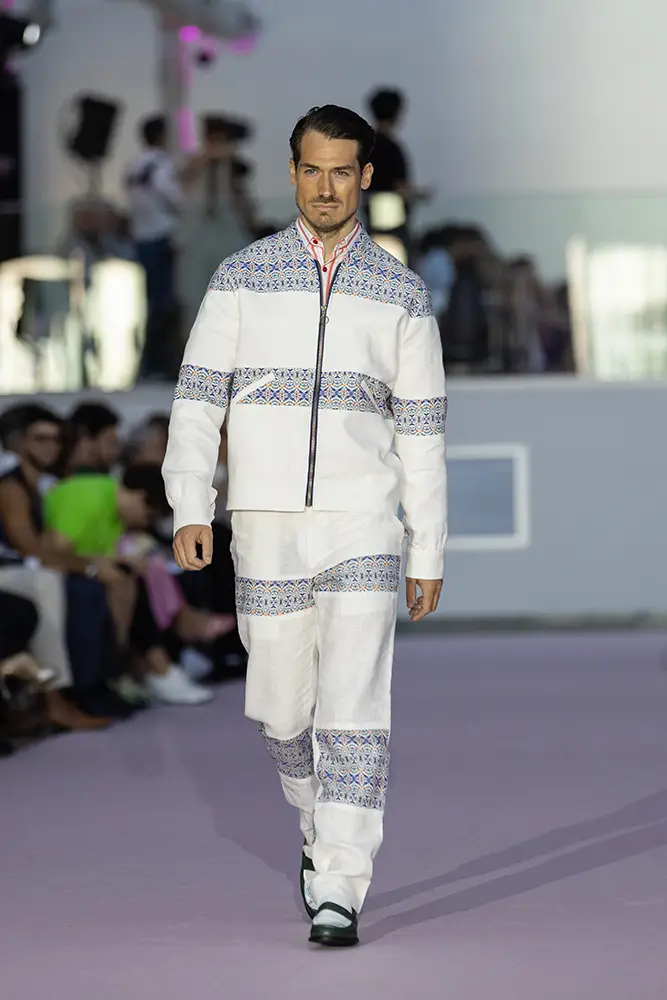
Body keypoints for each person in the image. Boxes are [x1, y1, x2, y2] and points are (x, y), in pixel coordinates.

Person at [162, 104, 447, 947]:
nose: (326, 187)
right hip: (266, 522)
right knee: (281, 710)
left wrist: (426, 546)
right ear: (292, 173)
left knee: (354, 703)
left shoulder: (400, 292)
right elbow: (197, 398)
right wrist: (190, 503)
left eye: (342, 172)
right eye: (312, 170)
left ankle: (340, 885)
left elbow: (423, 431)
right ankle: (315, 826)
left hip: (363, 523)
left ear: (365, 177)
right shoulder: (240, 276)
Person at [126, 115, 182, 381]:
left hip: (141, 236)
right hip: (161, 235)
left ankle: (148, 364)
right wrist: (183, 208)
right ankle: (159, 364)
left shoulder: (134, 165)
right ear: (161, 136)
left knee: (149, 300)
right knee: (164, 302)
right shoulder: (161, 163)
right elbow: (171, 193)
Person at [364, 88, 430, 262]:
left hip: (372, 216)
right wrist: (419, 194)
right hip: (393, 218)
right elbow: (399, 186)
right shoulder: (392, 148)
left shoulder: (366, 147)